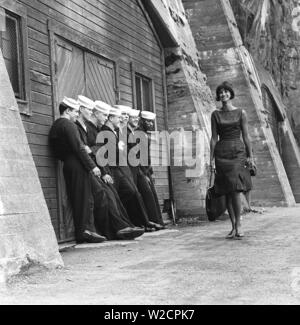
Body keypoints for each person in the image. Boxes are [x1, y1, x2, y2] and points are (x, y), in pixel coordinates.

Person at [75, 96, 145, 241]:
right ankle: (116, 229)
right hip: (92, 169)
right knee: (107, 197)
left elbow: (96, 150)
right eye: (104, 115)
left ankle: (124, 226)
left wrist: (94, 151)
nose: (106, 118)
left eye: (107, 115)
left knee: (113, 197)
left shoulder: (95, 129)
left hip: (100, 168)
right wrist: (103, 169)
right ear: (95, 113)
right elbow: (86, 149)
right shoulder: (88, 129)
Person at [49, 97, 106, 244]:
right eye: (75, 111)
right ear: (67, 111)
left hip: (68, 163)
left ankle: (86, 231)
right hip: (77, 164)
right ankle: (85, 232)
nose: (76, 115)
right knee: (84, 199)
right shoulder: (68, 125)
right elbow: (80, 148)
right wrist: (93, 166)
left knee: (80, 197)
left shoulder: (57, 125)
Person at [98, 106, 161, 232]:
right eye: (122, 116)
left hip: (125, 167)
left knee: (134, 193)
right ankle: (133, 224)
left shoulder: (120, 131)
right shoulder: (113, 131)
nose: (124, 118)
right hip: (117, 168)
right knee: (126, 194)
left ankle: (142, 222)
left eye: (126, 115)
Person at [210, 81, 254, 239]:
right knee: (227, 191)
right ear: (218, 95)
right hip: (221, 153)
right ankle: (233, 225)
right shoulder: (215, 114)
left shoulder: (241, 112)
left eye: (225, 92)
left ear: (230, 94)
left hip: (237, 152)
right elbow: (214, 138)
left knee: (235, 189)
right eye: (220, 92)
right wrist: (211, 160)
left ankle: (239, 225)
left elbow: (247, 136)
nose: (223, 94)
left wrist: (250, 156)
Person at [130, 110, 165, 228]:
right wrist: (144, 173)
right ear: (142, 121)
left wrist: (151, 172)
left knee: (152, 195)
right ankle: (151, 221)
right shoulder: (137, 134)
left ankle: (158, 221)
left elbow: (147, 156)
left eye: (151, 122)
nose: (150, 124)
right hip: (139, 169)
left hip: (146, 169)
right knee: (147, 194)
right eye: (147, 122)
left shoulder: (145, 134)